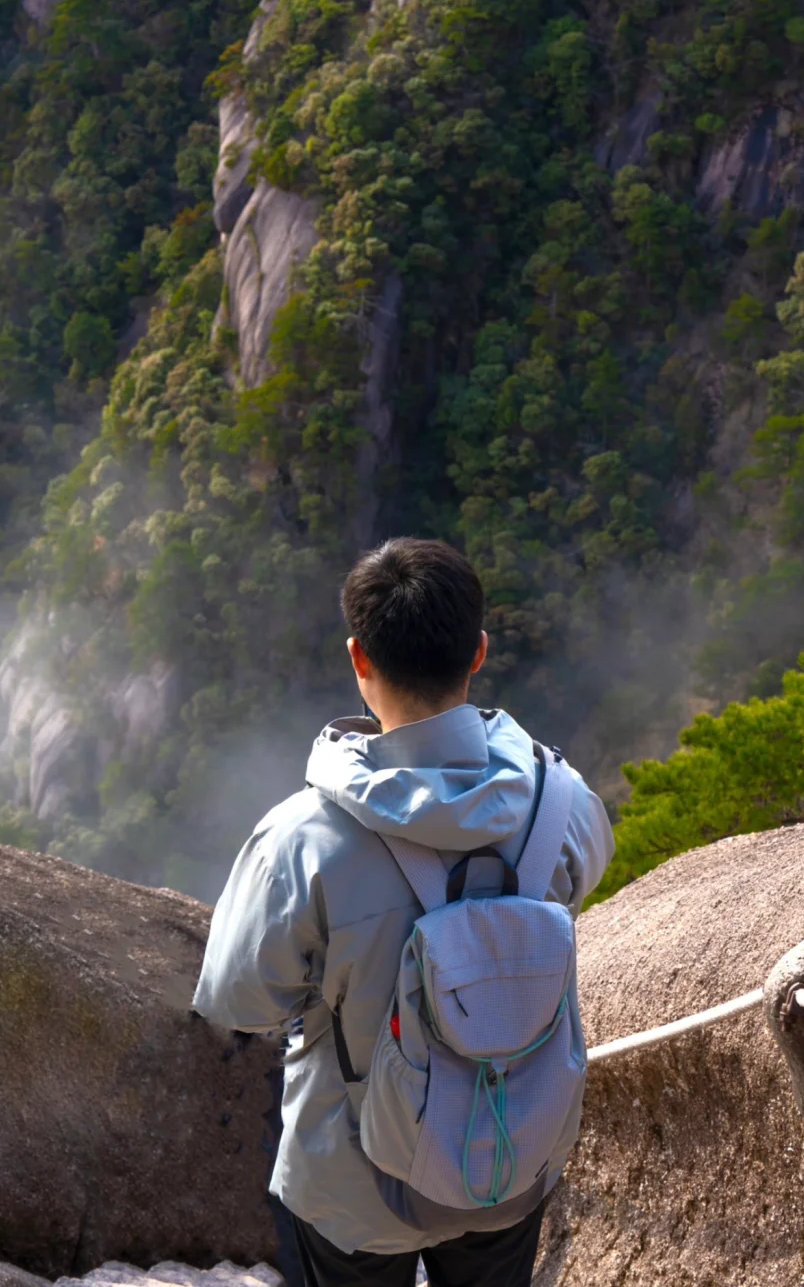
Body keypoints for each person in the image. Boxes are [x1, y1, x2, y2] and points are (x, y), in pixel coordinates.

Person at [193, 538, 614, 1287]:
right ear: (478, 651)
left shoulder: (303, 838)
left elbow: (240, 1001)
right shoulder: (564, 803)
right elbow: (569, 894)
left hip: (354, 1182)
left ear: (359, 657)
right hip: (510, 1152)